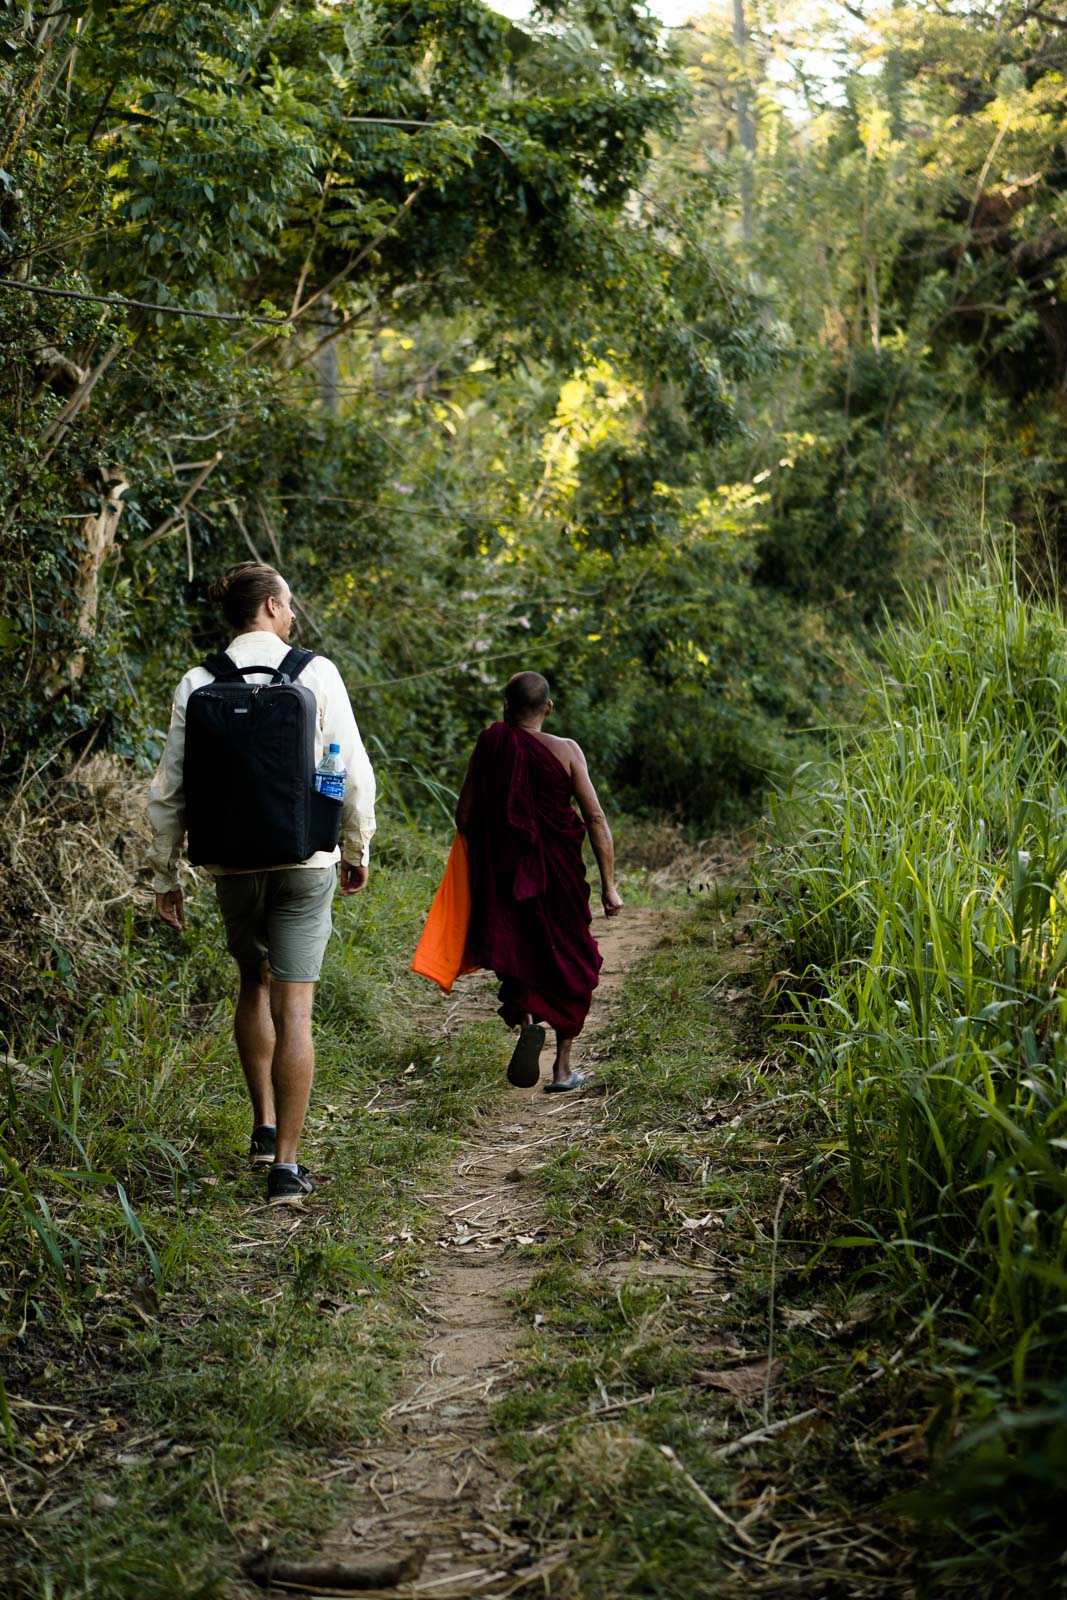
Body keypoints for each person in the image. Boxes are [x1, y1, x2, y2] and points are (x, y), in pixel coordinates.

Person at [146, 561, 376, 1207]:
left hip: (230, 864)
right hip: (305, 860)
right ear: (271, 606)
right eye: (289, 603)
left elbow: (169, 790)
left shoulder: (198, 681)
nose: (293, 613)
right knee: (295, 1007)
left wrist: (165, 876)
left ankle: (262, 1126)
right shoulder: (316, 672)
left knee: (253, 983)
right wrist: (354, 846)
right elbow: (350, 771)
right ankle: (286, 1169)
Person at [455, 671, 622, 1091]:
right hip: (559, 875)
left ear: (505, 705)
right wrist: (609, 886)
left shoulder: (492, 743)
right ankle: (563, 1070)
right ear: (548, 707)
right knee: (572, 961)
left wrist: (491, 856)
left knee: (521, 948)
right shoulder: (567, 752)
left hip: (507, 875)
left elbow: (466, 817)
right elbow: (596, 817)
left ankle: (530, 1022)